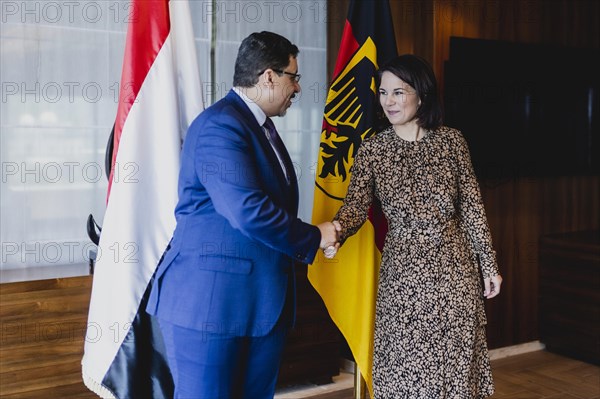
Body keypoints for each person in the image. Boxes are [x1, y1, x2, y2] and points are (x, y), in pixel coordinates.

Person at [146, 31, 340, 399]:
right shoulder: (220, 125)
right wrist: (314, 236)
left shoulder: (259, 127)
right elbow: (247, 211)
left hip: (258, 306)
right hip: (211, 308)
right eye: (293, 77)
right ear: (269, 76)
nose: (297, 89)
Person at [330, 54, 503, 398]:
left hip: (455, 274)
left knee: (454, 369)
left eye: (398, 92)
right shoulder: (373, 150)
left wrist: (489, 264)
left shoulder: (453, 141)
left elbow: (471, 207)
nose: (389, 101)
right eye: (383, 92)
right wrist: (335, 230)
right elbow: (355, 207)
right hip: (403, 277)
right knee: (405, 372)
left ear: (421, 94)